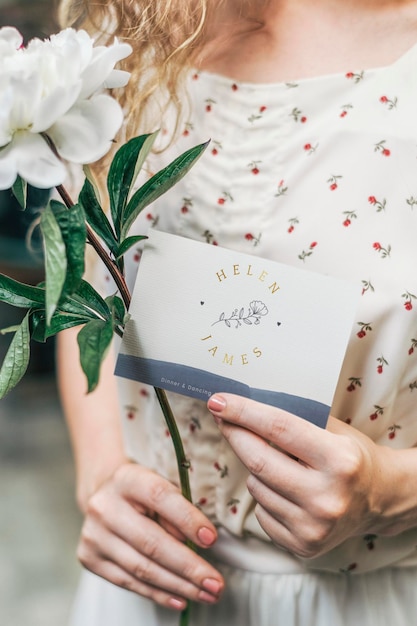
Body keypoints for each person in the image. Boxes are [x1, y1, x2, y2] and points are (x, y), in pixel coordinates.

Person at [57, 1, 417, 624]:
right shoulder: (141, 19)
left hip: (369, 598)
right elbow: (83, 281)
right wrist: (101, 471)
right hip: (147, 586)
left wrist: (392, 492)